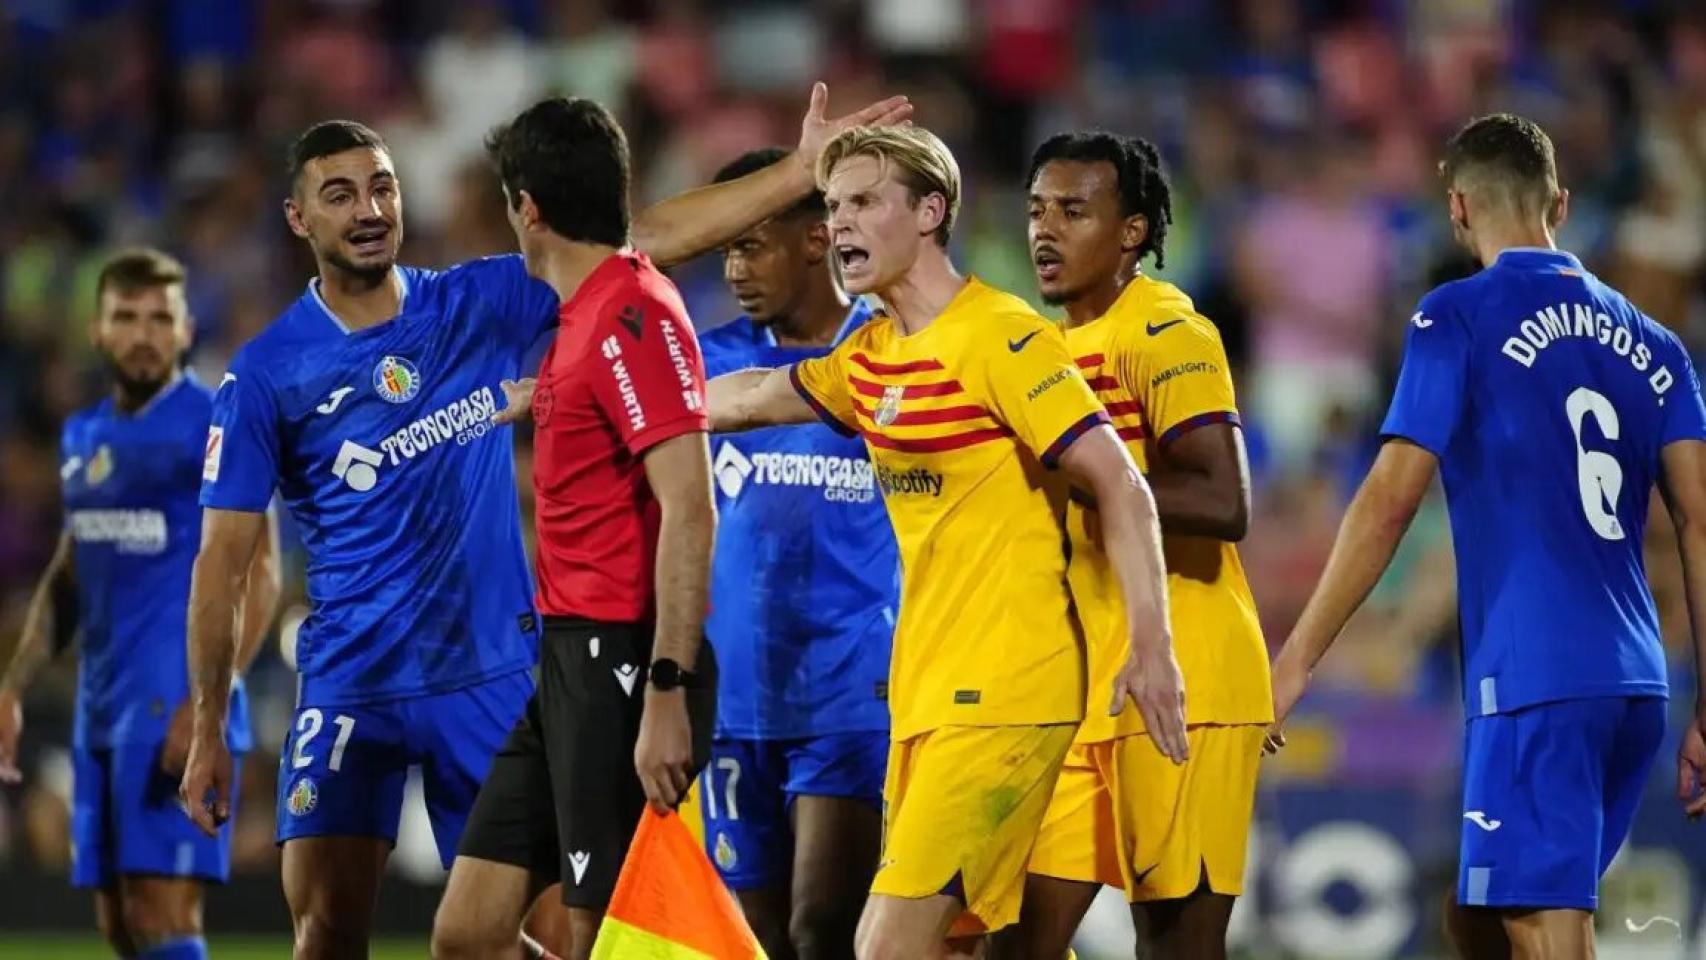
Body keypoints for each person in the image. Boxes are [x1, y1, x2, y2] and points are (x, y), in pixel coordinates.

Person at [180, 84, 912, 960]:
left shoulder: (482, 303)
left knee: (572, 931)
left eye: (383, 187)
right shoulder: (267, 373)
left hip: (505, 669)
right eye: (341, 195)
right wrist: (207, 719)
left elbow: (639, 241)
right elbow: (222, 562)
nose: (370, 210)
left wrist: (797, 169)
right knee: (346, 933)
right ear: (298, 219)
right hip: (355, 679)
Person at [706, 124, 1187, 960]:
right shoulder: (874, 356)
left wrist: (1152, 647)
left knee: (885, 943)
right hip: (924, 698)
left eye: (863, 202)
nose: (842, 223)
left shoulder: (1001, 338)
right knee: (959, 948)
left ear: (930, 211)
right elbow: (747, 396)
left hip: (1006, 691)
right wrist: (587, 398)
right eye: (833, 205)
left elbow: (1122, 484)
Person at [1268, 113, 1706, 959]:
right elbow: (1700, 519)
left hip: (1536, 680)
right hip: (1636, 683)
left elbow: (1393, 496)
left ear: (1458, 208)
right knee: (1475, 921)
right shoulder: (1658, 346)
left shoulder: (1457, 317)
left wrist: (1299, 656)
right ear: (1561, 205)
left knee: (1544, 931)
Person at [995, 132, 1270, 960]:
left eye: (1074, 211)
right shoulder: (1044, 350)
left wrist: (1083, 477)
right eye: (1038, 210)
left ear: (1133, 232)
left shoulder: (1167, 331)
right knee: (1015, 939)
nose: (1045, 231)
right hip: (1086, 685)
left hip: (1186, 672)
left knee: (1173, 946)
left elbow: (1223, 498)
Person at [0, 249, 279, 960]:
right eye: (127, 317)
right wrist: (12, 685)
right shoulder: (83, 436)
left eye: (162, 318)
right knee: (120, 924)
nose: (144, 333)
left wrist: (206, 710)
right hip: (102, 712)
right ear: (97, 330)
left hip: (175, 714)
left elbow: (265, 575)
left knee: (163, 915)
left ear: (187, 330)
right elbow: (71, 572)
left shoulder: (215, 422)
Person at [697, 146, 896, 960]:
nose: (735, 268)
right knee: (755, 942)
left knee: (825, 931)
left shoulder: (889, 355)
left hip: (852, 691)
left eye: (751, 243)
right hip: (734, 697)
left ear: (816, 241)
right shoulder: (704, 359)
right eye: (727, 249)